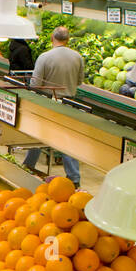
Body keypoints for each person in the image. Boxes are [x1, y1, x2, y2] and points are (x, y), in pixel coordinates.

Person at [23, 26, 85, 187]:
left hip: (48, 101)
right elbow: (79, 81)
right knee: (67, 139)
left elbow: (35, 83)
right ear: (68, 39)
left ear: (52, 38)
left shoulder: (44, 57)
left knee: (39, 134)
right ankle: (74, 178)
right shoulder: (78, 57)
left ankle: (29, 165)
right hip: (69, 103)